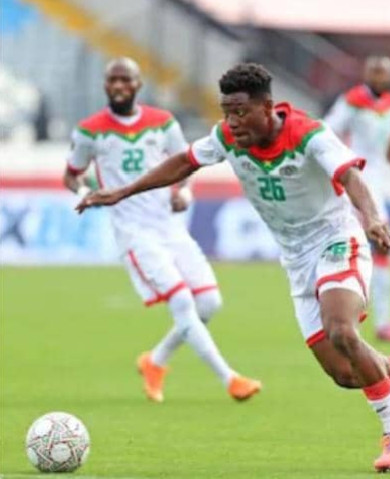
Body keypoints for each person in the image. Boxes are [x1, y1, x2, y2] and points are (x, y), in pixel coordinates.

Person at [77, 63, 390, 472]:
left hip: (337, 240)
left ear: (267, 107)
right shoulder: (228, 137)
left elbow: (350, 176)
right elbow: (183, 162)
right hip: (296, 261)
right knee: (345, 373)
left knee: (341, 330)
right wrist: (124, 191)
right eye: (227, 112)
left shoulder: (308, 134)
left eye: (240, 111)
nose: (232, 121)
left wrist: (372, 218)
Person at [63, 57, 261, 403]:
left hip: (170, 227)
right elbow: (71, 174)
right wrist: (83, 192)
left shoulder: (162, 123)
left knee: (209, 302)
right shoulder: (89, 131)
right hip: (134, 232)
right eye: (113, 80)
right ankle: (230, 378)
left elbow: (186, 164)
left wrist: (184, 193)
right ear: (105, 85)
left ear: (138, 84)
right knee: (182, 300)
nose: (119, 86)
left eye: (126, 79)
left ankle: (155, 361)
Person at [324, 55, 390, 343]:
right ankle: (360, 319)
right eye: (374, 72)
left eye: (383, 73)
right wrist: (336, 170)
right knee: (363, 245)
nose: (379, 77)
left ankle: (379, 321)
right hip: (354, 180)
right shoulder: (352, 101)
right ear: (366, 75)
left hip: (376, 183)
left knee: (378, 247)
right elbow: (327, 133)